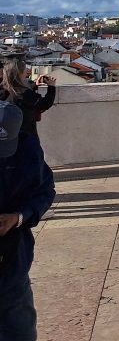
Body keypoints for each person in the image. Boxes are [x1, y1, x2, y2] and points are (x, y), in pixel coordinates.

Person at [0, 100, 55, 341]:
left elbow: (44, 192)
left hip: (11, 250)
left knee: (17, 323)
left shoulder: (28, 151)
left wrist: (19, 216)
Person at [0, 61, 55, 138]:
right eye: (25, 69)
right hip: (25, 134)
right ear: (20, 73)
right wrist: (51, 87)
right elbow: (45, 104)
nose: (27, 71)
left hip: (7, 134)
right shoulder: (23, 93)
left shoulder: (3, 89)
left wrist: (34, 85)